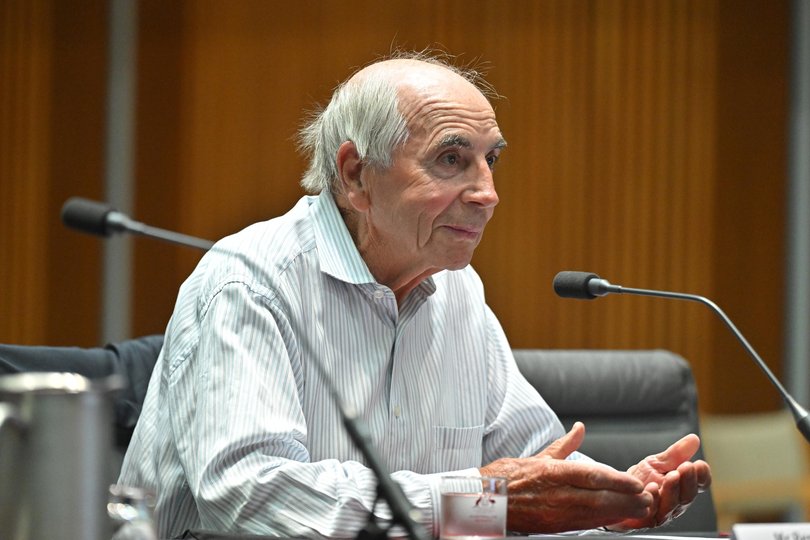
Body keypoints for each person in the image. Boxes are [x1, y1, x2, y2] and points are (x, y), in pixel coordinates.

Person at [118, 51, 711, 538]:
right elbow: (251, 502)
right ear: (355, 175)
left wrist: (618, 496)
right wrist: (483, 501)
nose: (488, 193)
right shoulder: (249, 282)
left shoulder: (458, 292)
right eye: (452, 160)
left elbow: (531, 464)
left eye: (492, 160)